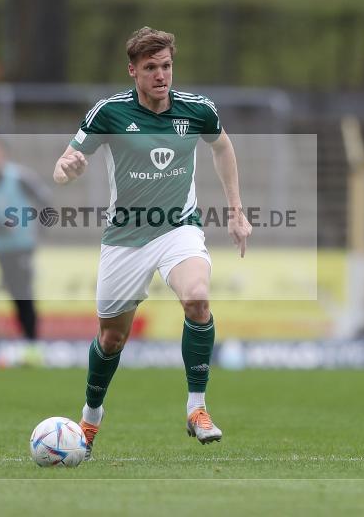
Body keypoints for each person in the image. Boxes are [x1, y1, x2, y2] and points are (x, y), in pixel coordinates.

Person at [53, 26, 252, 459]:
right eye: (151, 68)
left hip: (177, 228)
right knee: (111, 339)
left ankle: (196, 408)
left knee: (197, 298)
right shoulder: (108, 113)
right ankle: (90, 417)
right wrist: (68, 168)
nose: (161, 75)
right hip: (125, 239)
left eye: (166, 66)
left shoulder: (198, 110)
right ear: (133, 71)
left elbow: (222, 148)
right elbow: (66, 163)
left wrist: (236, 209)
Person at [0, 137, 52, 341]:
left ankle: (32, 341)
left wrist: (39, 228)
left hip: (24, 245)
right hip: (1, 247)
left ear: (3, 153)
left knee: (24, 291)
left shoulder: (19, 177)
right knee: (16, 294)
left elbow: (44, 199)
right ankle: (27, 339)